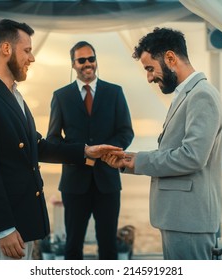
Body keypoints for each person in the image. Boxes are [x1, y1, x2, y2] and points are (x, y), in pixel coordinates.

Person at [0, 19, 121, 260]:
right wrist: (3, 228)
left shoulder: (14, 95)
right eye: (26, 50)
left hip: (22, 221)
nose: (32, 57)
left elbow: (37, 146)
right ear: (6, 49)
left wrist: (87, 151)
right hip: (7, 231)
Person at [102, 27, 222, 260]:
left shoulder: (202, 95)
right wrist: (127, 161)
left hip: (189, 220)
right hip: (181, 218)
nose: (149, 77)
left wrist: (137, 160)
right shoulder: (190, 94)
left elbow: (192, 157)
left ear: (170, 58)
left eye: (150, 68)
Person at [46, 41, 134, 260]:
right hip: (74, 185)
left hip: (108, 183)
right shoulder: (61, 96)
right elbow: (53, 141)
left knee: (108, 248)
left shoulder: (115, 92)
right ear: (73, 64)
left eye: (91, 58)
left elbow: (126, 132)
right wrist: (84, 152)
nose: (88, 63)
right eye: (81, 60)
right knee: (72, 247)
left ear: (96, 60)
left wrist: (103, 153)